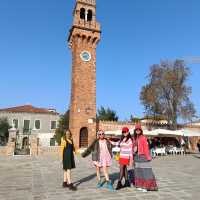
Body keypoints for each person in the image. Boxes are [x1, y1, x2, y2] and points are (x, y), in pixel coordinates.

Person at [133, 123, 158, 192]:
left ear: (141, 130)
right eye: (136, 129)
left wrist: (148, 157)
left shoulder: (143, 138)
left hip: (143, 156)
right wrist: (133, 150)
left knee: (146, 172)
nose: (138, 131)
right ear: (135, 130)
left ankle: (147, 186)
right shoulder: (134, 138)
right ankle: (140, 185)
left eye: (139, 129)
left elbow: (146, 148)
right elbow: (132, 147)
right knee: (138, 172)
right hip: (136, 157)